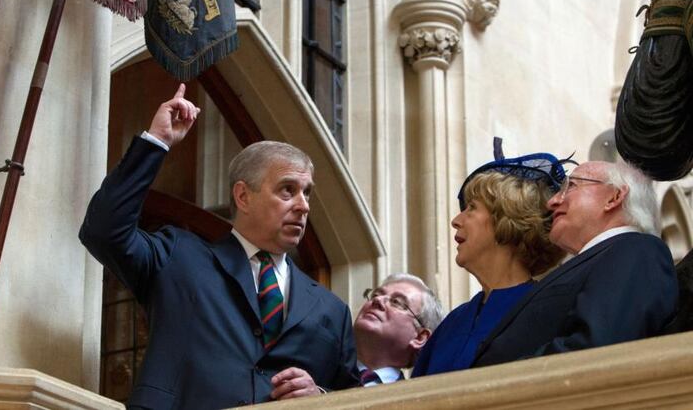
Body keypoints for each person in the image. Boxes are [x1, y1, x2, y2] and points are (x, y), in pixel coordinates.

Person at [79, 84, 357, 409]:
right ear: (243, 196)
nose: (303, 205)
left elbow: (361, 399)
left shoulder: (332, 310)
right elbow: (104, 230)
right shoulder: (178, 256)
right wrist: (157, 142)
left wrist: (321, 396)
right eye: (287, 190)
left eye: (306, 192)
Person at [473, 161, 678, 367]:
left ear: (614, 197)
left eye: (570, 186)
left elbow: (596, 348)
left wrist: (498, 381)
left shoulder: (636, 250)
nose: (552, 202)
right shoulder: (601, 259)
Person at [412, 153, 569, 377]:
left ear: (507, 218)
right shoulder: (453, 323)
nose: (456, 221)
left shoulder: (550, 310)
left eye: (472, 208)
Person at [269, 273, 444, 398]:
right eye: (376, 294)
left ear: (420, 337)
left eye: (397, 302)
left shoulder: (416, 400)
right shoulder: (312, 369)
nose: (377, 301)